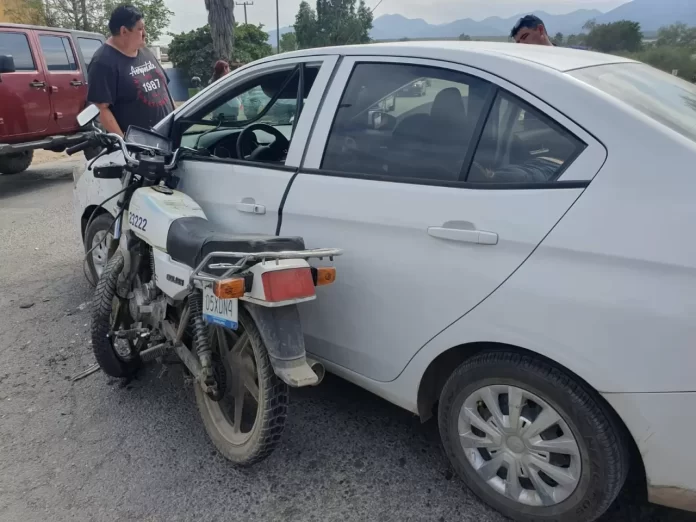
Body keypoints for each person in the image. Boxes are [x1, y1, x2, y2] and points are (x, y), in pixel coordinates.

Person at [87, 5, 174, 137]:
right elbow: (102, 109)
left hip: (169, 136)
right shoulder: (102, 62)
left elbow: (165, 89)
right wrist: (126, 143)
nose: (145, 33)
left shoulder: (145, 51)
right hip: (141, 145)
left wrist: (177, 119)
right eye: (140, 29)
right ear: (124, 31)